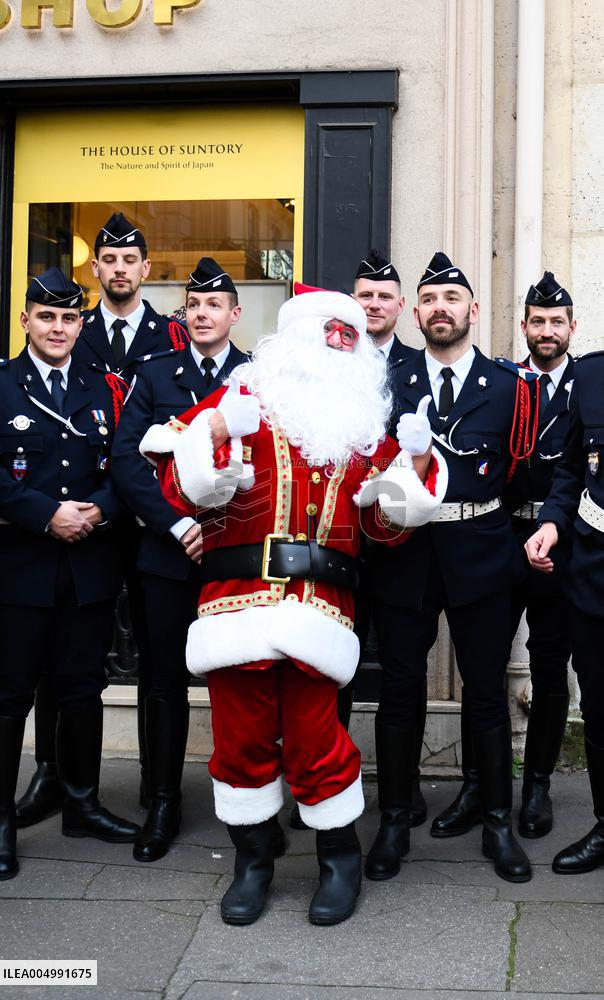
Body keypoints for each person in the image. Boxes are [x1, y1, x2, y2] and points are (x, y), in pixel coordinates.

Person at [140, 283, 448, 924]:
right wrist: (219, 429)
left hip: (321, 611)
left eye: (347, 341)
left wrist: (416, 462)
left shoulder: (363, 432)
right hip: (236, 606)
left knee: (316, 740)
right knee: (240, 738)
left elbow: (386, 530)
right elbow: (179, 487)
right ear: (293, 344)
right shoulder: (238, 400)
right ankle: (253, 862)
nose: (336, 350)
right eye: (325, 338)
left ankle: (340, 860)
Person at [366, 252, 539, 885]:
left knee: (487, 690)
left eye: (451, 299)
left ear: (472, 310)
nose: (441, 309)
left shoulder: (510, 385)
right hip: (407, 555)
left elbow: (523, 472)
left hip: (481, 551)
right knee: (400, 690)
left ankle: (496, 820)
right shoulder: (390, 380)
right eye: (430, 300)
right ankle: (392, 822)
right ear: (416, 312)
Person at [16, 212, 189, 830]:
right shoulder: (73, 334)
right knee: (49, 664)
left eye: (130, 261)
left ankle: (152, 783)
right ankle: (51, 777)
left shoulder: (172, 336)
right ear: (98, 270)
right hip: (64, 533)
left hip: (132, 526)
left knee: (142, 654)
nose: (119, 270)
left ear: (145, 269)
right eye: (109, 261)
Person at [0, 268, 139, 881]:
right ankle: (1, 821)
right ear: (26, 320)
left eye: (69, 318)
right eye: (46, 317)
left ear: (81, 325)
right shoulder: (3, 385)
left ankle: (82, 802)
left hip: (87, 566)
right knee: (10, 699)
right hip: (19, 569)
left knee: (83, 689)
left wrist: (101, 509)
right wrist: (44, 513)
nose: (58, 328)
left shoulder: (103, 387)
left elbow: (127, 464)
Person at [111, 258, 248, 862]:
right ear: (183, 313)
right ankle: (162, 797)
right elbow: (124, 460)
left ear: (234, 315)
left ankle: (247, 794)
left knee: (240, 677)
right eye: (193, 305)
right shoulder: (156, 373)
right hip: (168, 553)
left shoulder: (255, 377)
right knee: (162, 680)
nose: (202, 314)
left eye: (214, 305)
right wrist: (175, 522)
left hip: (234, 553)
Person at [353, 249, 428, 826]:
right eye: (364, 296)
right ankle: (328, 785)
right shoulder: (330, 362)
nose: (374, 305)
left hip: (403, 548)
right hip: (340, 548)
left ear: (401, 307)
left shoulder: (422, 366)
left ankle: (401, 791)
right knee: (330, 671)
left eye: (383, 297)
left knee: (404, 671)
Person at [525, 343, 604, 874]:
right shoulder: (593, 376)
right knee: (599, 709)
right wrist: (552, 520)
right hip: (595, 578)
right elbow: (572, 467)